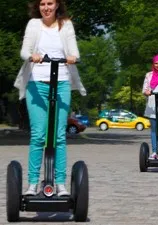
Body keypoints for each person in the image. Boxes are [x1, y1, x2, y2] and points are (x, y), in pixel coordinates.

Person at [13, 0, 86, 196]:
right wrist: (32, 55)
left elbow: (74, 51)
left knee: (59, 136)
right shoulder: (33, 25)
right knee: (38, 135)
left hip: (61, 83)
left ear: (57, 5)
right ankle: (33, 184)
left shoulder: (66, 25)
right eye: (43, 3)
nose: (46, 7)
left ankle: (60, 184)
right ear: (38, 6)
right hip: (36, 85)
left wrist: (72, 57)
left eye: (50, 3)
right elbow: (24, 51)